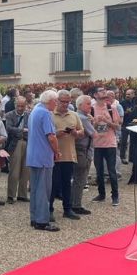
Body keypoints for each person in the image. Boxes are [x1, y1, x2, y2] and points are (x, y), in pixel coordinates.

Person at [27, 90, 60, 232]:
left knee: (35, 189)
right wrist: (56, 151)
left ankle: (34, 217)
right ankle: (42, 220)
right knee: (43, 190)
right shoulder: (46, 113)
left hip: (33, 155)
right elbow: (51, 136)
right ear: (50, 101)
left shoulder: (35, 110)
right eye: (55, 101)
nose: (56, 104)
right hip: (43, 156)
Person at [50, 90, 84, 220]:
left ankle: (67, 209)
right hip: (54, 155)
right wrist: (56, 134)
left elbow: (82, 132)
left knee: (66, 183)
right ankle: (49, 210)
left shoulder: (74, 115)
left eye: (68, 102)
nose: (65, 104)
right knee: (53, 184)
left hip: (69, 155)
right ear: (57, 101)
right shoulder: (50, 115)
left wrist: (76, 133)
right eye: (63, 101)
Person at [92, 90, 122, 206]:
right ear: (95, 96)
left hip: (110, 143)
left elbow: (118, 127)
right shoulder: (92, 109)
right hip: (97, 144)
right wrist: (96, 122)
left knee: (112, 171)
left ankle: (115, 196)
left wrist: (107, 121)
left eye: (104, 93)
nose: (104, 95)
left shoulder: (111, 108)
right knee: (99, 172)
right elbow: (90, 128)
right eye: (101, 93)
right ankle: (101, 194)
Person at [70, 95, 95, 216]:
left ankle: (73, 203)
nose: (90, 106)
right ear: (80, 105)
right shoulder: (83, 118)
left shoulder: (77, 116)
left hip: (79, 150)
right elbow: (94, 134)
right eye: (88, 104)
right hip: (83, 151)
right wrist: (96, 121)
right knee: (80, 179)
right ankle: (76, 205)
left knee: (77, 178)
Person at [4, 96, 30, 204]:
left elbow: (32, 128)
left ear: (26, 106)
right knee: (14, 170)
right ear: (15, 105)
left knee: (26, 170)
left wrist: (23, 131)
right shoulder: (9, 115)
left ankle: (22, 195)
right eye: (18, 106)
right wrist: (22, 130)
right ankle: (11, 195)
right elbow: (9, 128)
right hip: (16, 143)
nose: (20, 108)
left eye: (22, 106)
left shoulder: (29, 115)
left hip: (28, 143)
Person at [119, 89, 136, 162]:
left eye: (129, 94)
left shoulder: (135, 102)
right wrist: (126, 112)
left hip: (133, 124)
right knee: (124, 142)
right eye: (126, 94)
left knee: (133, 142)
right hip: (125, 124)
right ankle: (122, 157)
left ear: (133, 94)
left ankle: (132, 157)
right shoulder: (122, 103)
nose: (127, 96)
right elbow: (120, 114)